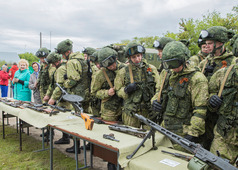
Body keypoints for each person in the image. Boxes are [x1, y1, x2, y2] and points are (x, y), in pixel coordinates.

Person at [151, 41, 208, 151]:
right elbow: (158, 92)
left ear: (184, 60)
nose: (172, 68)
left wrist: (192, 133)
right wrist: (154, 102)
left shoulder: (197, 79)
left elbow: (200, 109)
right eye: (168, 64)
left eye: (175, 63)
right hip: (165, 128)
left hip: (183, 132)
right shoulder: (166, 73)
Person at [198, 26, 236, 150]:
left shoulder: (233, 63)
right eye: (205, 43)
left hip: (223, 118)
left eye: (210, 43)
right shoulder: (204, 63)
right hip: (205, 115)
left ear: (220, 43)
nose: (206, 46)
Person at [115, 42, 159, 129]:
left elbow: (159, 86)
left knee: (150, 136)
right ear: (129, 58)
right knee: (131, 135)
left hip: (148, 110)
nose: (137, 59)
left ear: (142, 55)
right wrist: (126, 90)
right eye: (134, 57)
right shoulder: (123, 71)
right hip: (131, 111)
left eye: (139, 55)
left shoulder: (151, 69)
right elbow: (117, 90)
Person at [207, 64, 238, 166]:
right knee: (214, 165)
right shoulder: (224, 73)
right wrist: (212, 100)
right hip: (223, 136)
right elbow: (209, 92)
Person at [91, 47, 125, 121]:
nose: (112, 66)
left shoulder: (125, 69)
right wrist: (107, 93)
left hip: (125, 108)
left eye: (112, 63)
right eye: (108, 65)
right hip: (110, 111)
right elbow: (94, 92)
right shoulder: (100, 74)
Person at [45, 51, 72, 144]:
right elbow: (53, 84)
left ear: (56, 62)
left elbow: (59, 86)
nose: (52, 66)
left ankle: (66, 138)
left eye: (52, 64)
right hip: (66, 96)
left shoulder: (61, 69)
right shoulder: (64, 66)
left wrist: (53, 98)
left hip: (64, 98)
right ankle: (66, 137)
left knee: (64, 117)